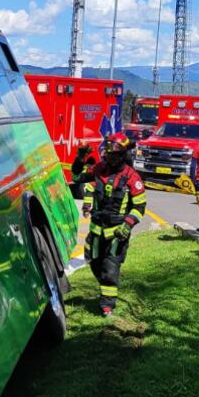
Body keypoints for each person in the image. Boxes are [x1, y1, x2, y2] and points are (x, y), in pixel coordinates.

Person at [71, 133, 147, 317]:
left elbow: (139, 206)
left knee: (110, 269)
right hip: (96, 232)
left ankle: (107, 307)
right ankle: (105, 293)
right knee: (95, 264)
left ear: (122, 156)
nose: (108, 157)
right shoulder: (100, 169)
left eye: (113, 155)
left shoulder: (132, 178)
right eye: (107, 153)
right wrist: (79, 158)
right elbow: (76, 177)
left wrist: (127, 225)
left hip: (117, 234)